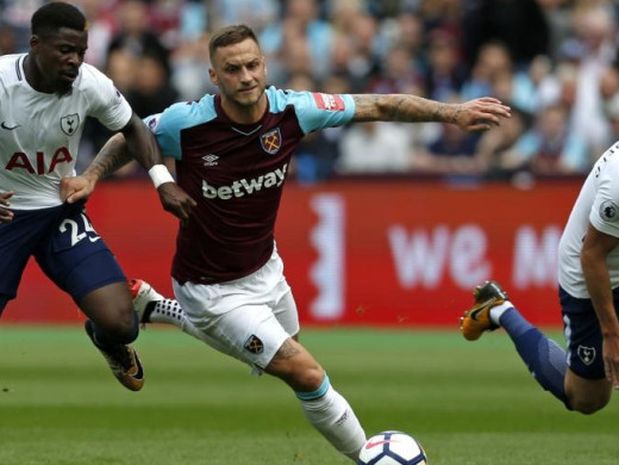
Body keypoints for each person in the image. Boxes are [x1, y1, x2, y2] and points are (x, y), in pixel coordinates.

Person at [70, 24, 510, 460]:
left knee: (284, 351)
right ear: (214, 77)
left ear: (265, 65)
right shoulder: (187, 122)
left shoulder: (296, 111)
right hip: (210, 286)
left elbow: (378, 104)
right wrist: (96, 175)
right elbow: (130, 135)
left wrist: (451, 113)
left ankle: (153, 307)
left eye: (252, 65)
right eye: (233, 69)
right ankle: (368, 457)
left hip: (266, 268)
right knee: (306, 373)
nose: (246, 76)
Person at [460, 82, 619, 414]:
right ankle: (499, 309)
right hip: (599, 270)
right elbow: (593, 254)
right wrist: (612, 333)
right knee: (586, 399)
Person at [0, 2, 195, 391]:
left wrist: (161, 179)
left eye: (81, 52)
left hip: (59, 208)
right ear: (35, 44)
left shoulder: (90, 83)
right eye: (65, 51)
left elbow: (134, 127)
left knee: (123, 323)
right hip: (5, 213)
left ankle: (106, 340)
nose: (75, 61)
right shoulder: (2, 82)